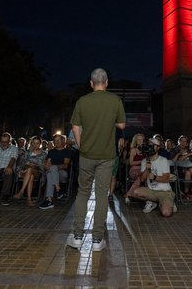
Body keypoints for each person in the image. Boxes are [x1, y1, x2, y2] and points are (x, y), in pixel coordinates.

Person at [67, 68, 126, 252]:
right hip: (107, 156)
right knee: (102, 195)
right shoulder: (114, 100)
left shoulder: (83, 101)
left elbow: (75, 127)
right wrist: (110, 120)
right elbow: (122, 125)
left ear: (91, 83)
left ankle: (77, 236)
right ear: (106, 82)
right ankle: (97, 240)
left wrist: (81, 145)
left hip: (86, 154)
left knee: (83, 193)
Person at [132, 140, 176, 216]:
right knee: (135, 192)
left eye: (153, 145)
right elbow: (142, 179)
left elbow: (166, 179)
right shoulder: (144, 161)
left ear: (158, 147)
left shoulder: (163, 160)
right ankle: (153, 202)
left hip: (164, 191)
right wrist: (147, 167)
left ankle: (168, 202)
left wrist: (155, 177)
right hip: (151, 191)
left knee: (166, 213)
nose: (150, 147)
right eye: (149, 145)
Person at [13, 136, 47, 206]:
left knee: (30, 169)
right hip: (26, 172)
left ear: (40, 144)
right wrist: (25, 165)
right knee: (30, 175)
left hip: (38, 172)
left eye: (37, 143)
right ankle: (29, 199)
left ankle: (21, 192)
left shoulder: (44, 154)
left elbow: (43, 166)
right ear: (31, 143)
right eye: (34, 143)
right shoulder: (27, 153)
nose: (35, 145)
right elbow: (21, 164)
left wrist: (33, 164)